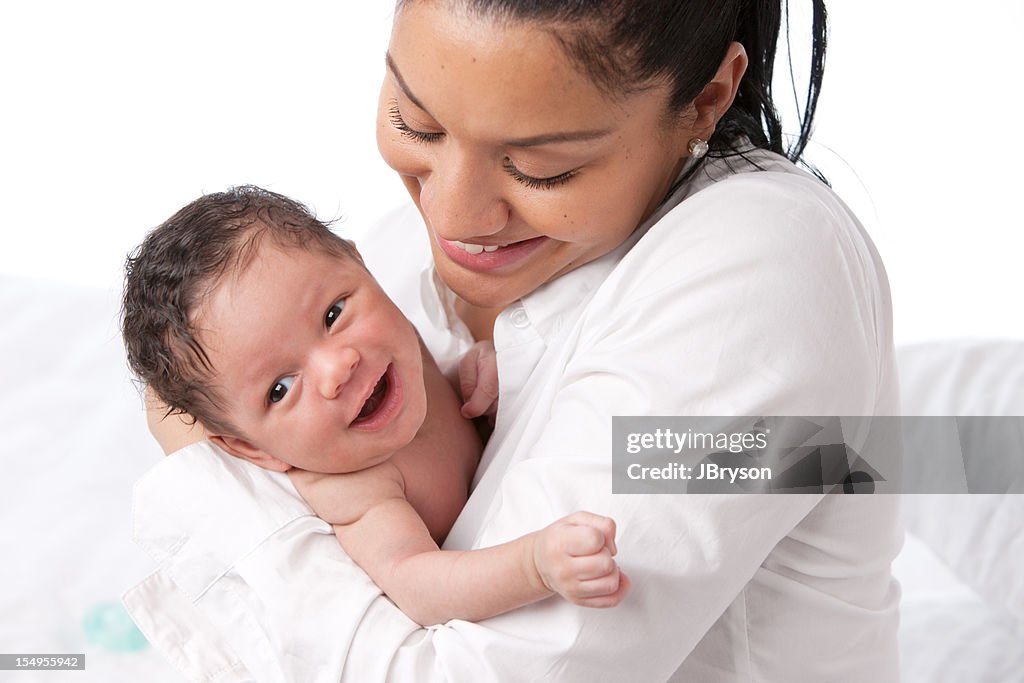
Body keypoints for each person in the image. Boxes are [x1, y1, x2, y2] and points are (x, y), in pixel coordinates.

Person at [123, 1, 902, 681]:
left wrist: (201, 462)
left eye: (542, 168)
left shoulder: (759, 266)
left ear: (705, 99)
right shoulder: (396, 263)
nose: (453, 217)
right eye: (414, 122)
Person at [121, 186, 628, 627]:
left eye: (333, 314)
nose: (337, 368)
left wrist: (474, 371)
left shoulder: (396, 356)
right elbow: (418, 588)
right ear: (252, 448)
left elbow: (449, 413)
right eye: (280, 388)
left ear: (360, 263)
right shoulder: (359, 488)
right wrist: (533, 566)